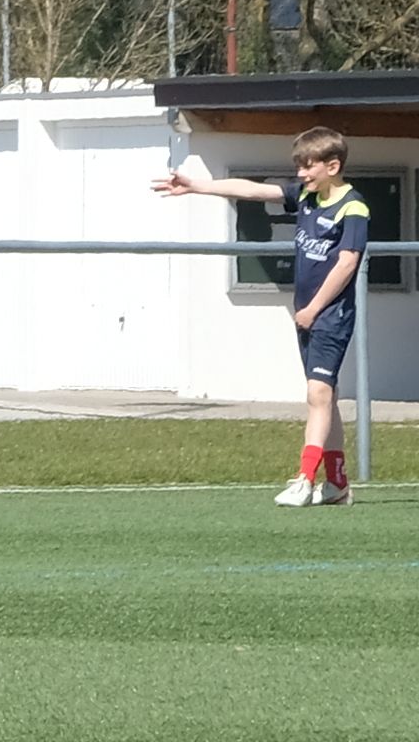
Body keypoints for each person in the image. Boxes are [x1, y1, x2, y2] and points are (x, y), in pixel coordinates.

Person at [157, 131, 369, 510]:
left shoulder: (352, 208)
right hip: (307, 316)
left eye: (308, 167)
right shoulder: (306, 197)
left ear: (333, 166)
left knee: (318, 395)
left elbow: (347, 263)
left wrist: (313, 308)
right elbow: (254, 191)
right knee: (326, 396)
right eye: (299, 167)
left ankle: (305, 478)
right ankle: (337, 484)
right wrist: (198, 186)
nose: (301, 174)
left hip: (330, 316)